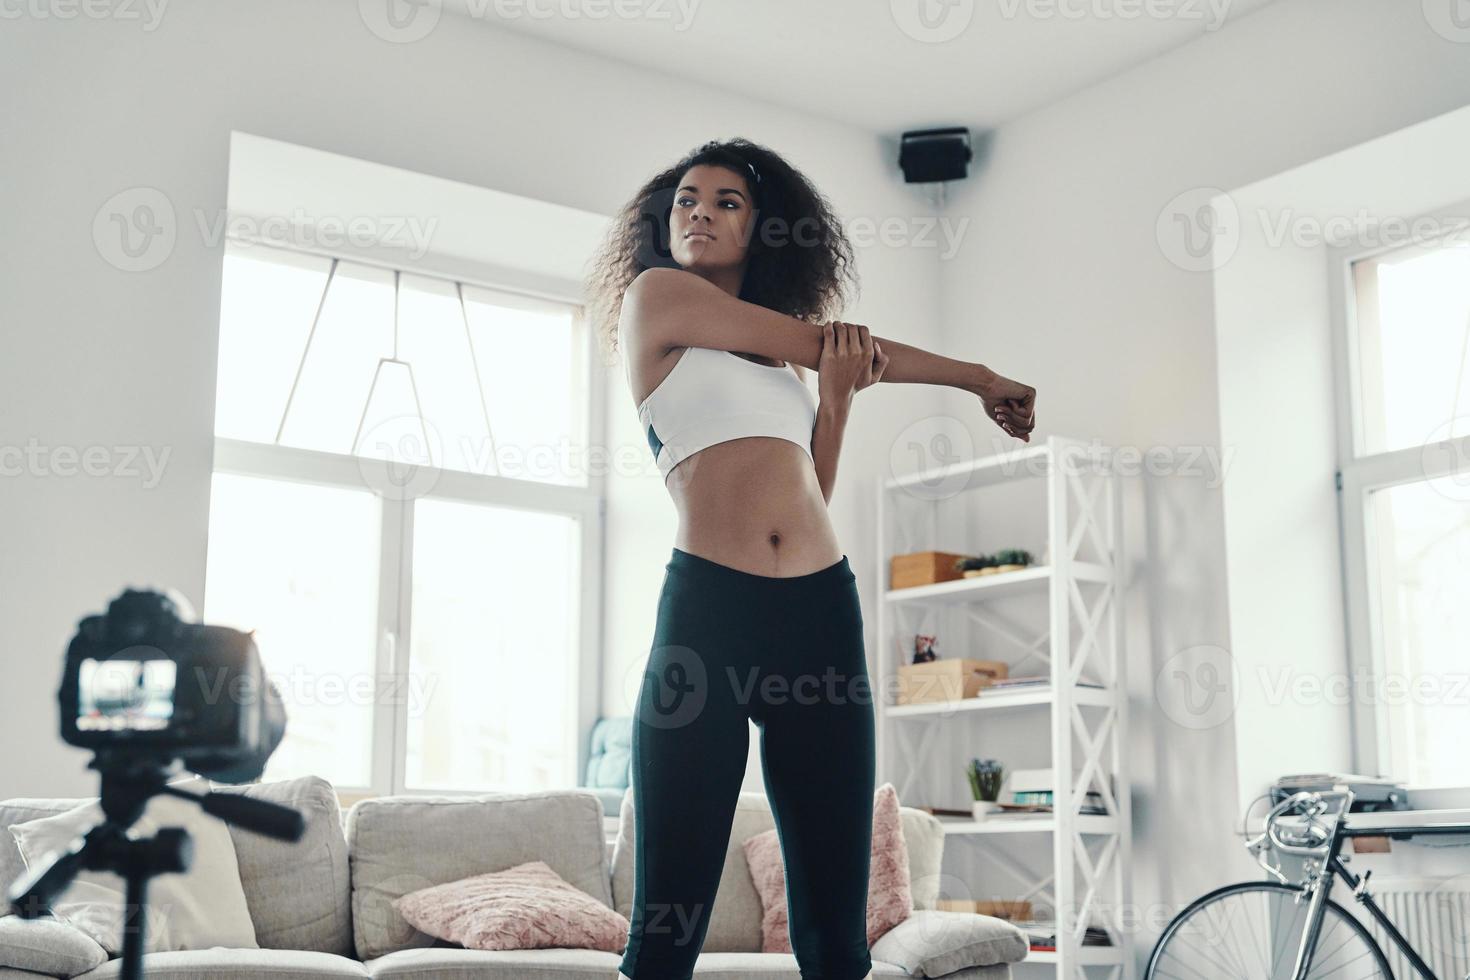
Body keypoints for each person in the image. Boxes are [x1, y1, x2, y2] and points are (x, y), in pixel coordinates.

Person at [585, 137, 1035, 980]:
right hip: (710, 621)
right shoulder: (658, 301)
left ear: (761, 231)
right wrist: (978, 377)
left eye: (726, 203)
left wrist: (833, 401)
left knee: (836, 942)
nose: (700, 213)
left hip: (819, 615)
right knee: (663, 938)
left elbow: (808, 496)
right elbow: (833, 340)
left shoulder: (785, 371)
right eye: (686, 199)